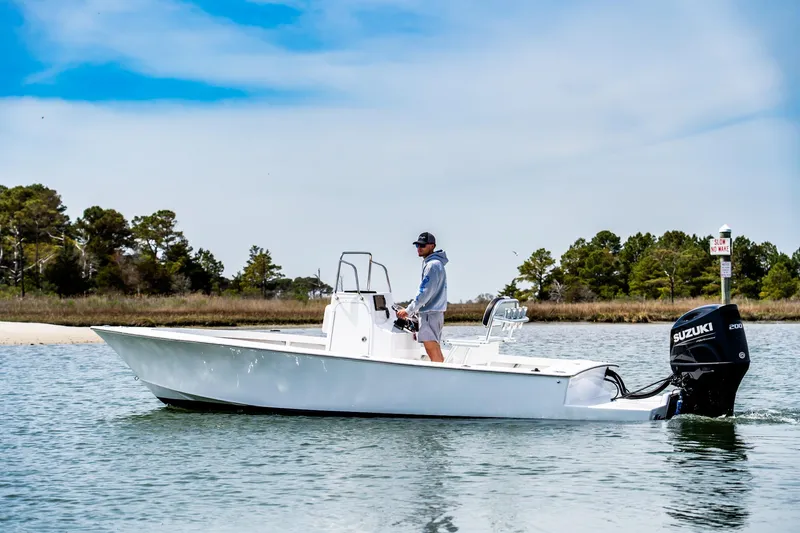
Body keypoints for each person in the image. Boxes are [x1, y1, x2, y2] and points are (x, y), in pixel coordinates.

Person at [396, 232, 449, 363]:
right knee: (434, 348)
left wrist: (408, 310)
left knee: (431, 349)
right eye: (417, 245)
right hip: (435, 314)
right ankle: (441, 375)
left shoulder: (432, 265)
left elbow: (424, 292)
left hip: (429, 314)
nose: (419, 248)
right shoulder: (436, 264)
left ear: (432, 246)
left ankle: (439, 378)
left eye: (422, 245)